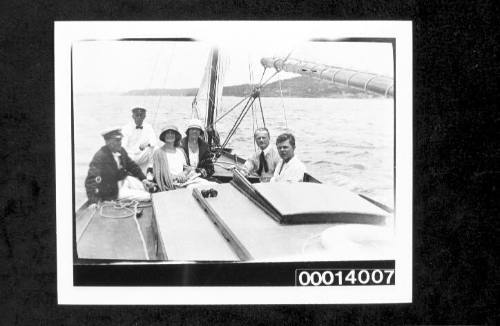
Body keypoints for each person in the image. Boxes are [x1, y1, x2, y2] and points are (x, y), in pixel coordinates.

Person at [84, 127, 154, 204]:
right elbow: (90, 181)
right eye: (117, 140)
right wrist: (94, 201)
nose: (120, 142)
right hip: (113, 191)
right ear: (108, 142)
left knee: (150, 188)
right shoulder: (100, 157)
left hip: (125, 181)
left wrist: (143, 179)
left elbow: (132, 166)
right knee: (148, 196)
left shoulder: (121, 150)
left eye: (120, 139)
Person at [121, 107, 157, 174]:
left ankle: (150, 169)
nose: (139, 117)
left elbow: (154, 141)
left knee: (155, 148)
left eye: (141, 115)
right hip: (130, 156)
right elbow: (123, 146)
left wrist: (147, 144)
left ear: (144, 116)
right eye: (137, 115)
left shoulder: (148, 127)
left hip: (142, 155)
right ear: (133, 116)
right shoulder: (126, 128)